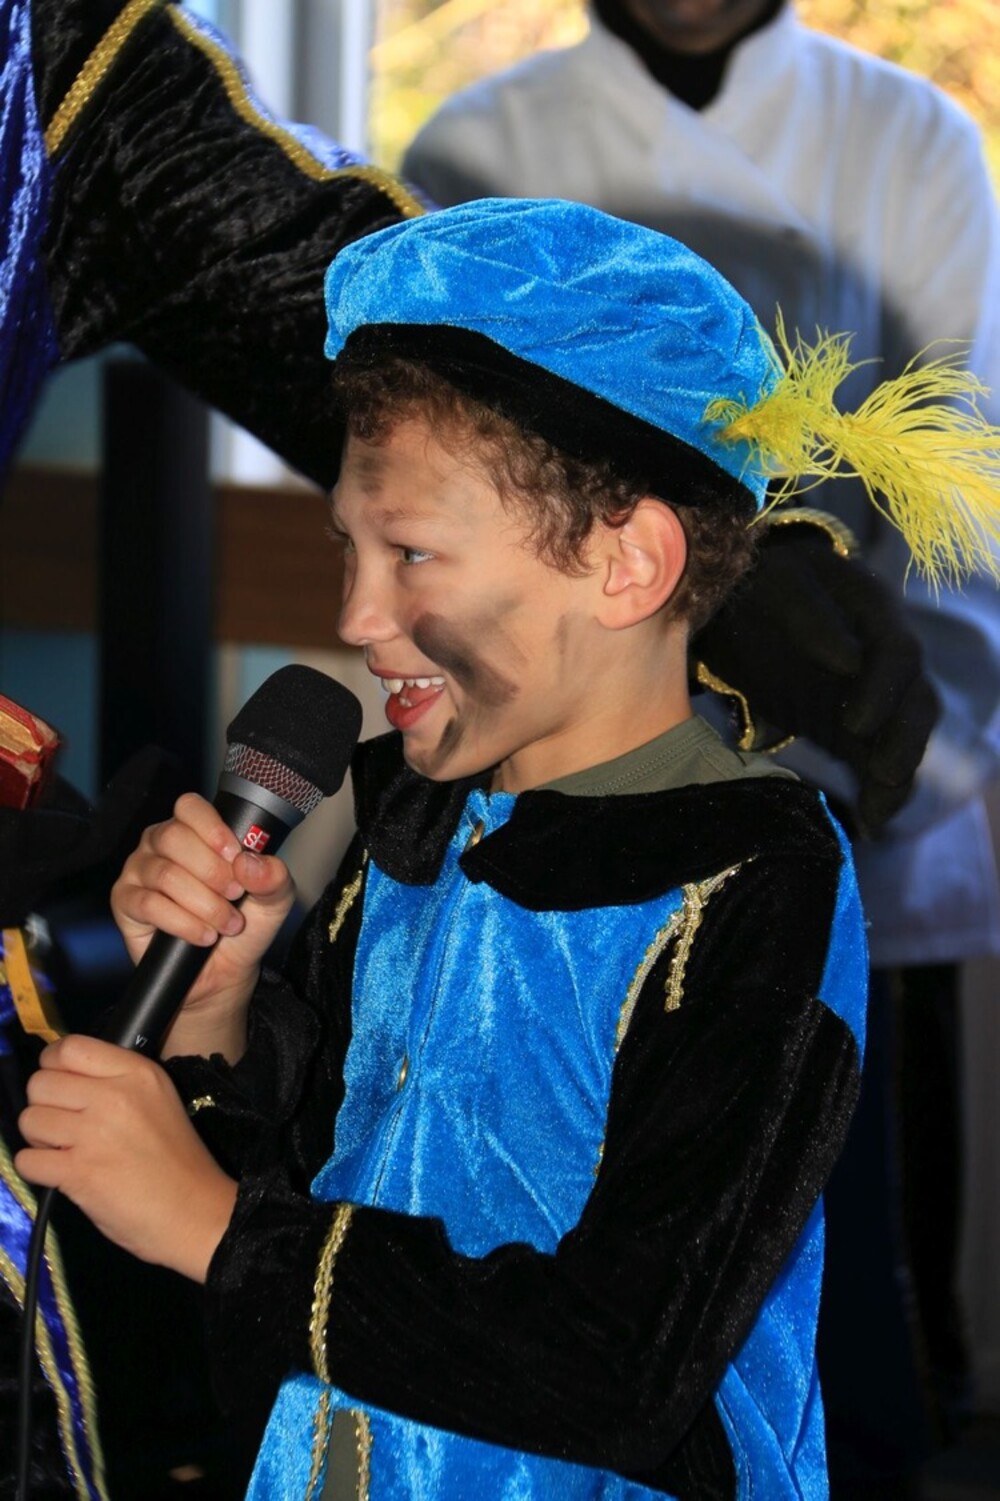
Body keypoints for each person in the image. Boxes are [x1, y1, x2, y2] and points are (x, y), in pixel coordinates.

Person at [15, 196, 1000, 1498]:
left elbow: (622, 1359)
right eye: (350, 548)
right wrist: (213, 1019)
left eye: (413, 553)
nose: (356, 615)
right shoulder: (413, 819)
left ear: (627, 564)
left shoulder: (751, 876)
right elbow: (302, 1205)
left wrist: (210, 1226)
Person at [403, 3, 1000, 1485]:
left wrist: (871, 740)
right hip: (553, 844)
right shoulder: (478, 149)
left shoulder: (911, 139)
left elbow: (966, 504)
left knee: (846, 1349)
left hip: (849, 813)